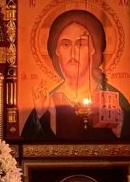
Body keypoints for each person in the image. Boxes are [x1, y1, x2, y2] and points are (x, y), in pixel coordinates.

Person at [22, 9, 130, 140]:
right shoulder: (46, 102)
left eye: (81, 44)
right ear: (57, 51)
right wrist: (40, 115)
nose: (73, 54)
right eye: (65, 45)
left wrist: (120, 130)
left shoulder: (114, 100)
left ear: (93, 50)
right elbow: (30, 144)